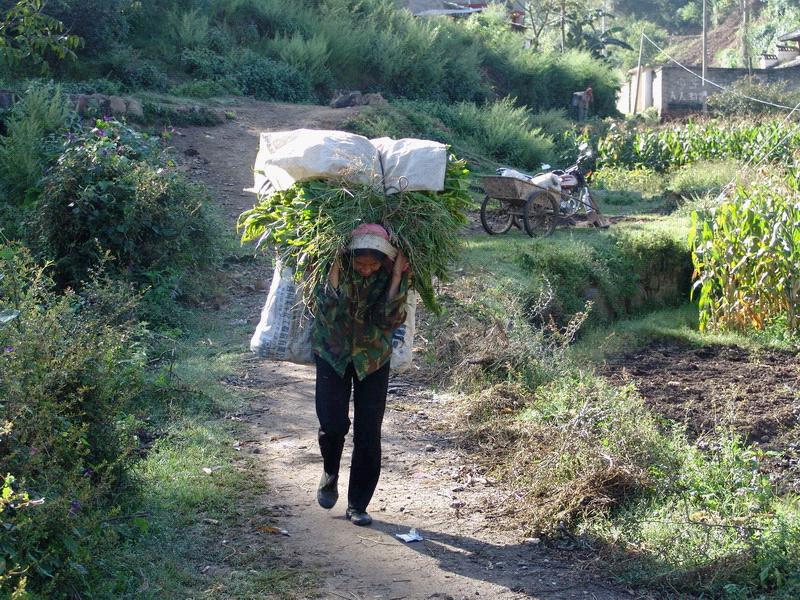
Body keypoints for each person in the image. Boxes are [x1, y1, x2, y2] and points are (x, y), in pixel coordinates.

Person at [312, 223, 409, 526]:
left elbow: (389, 318)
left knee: (368, 432)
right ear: (349, 257)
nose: (366, 269)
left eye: (373, 264)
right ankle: (330, 472)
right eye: (360, 263)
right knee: (332, 423)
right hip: (333, 354)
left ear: (384, 260)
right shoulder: (334, 269)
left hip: (373, 359)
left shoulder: (392, 274)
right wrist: (336, 267)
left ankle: (358, 504)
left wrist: (395, 276)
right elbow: (327, 309)